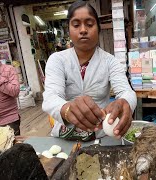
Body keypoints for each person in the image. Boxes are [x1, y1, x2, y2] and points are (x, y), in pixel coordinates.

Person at [42, 1, 137, 141]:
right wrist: (67, 109)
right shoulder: (57, 60)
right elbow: (51, 98)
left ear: (98, 28)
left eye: (89, 24)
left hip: (100, 136)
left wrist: (126, 102)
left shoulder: (110, 61)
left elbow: (126, 91)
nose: (83, 30)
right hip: (64, 138)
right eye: (76, 25)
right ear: (69, 30)